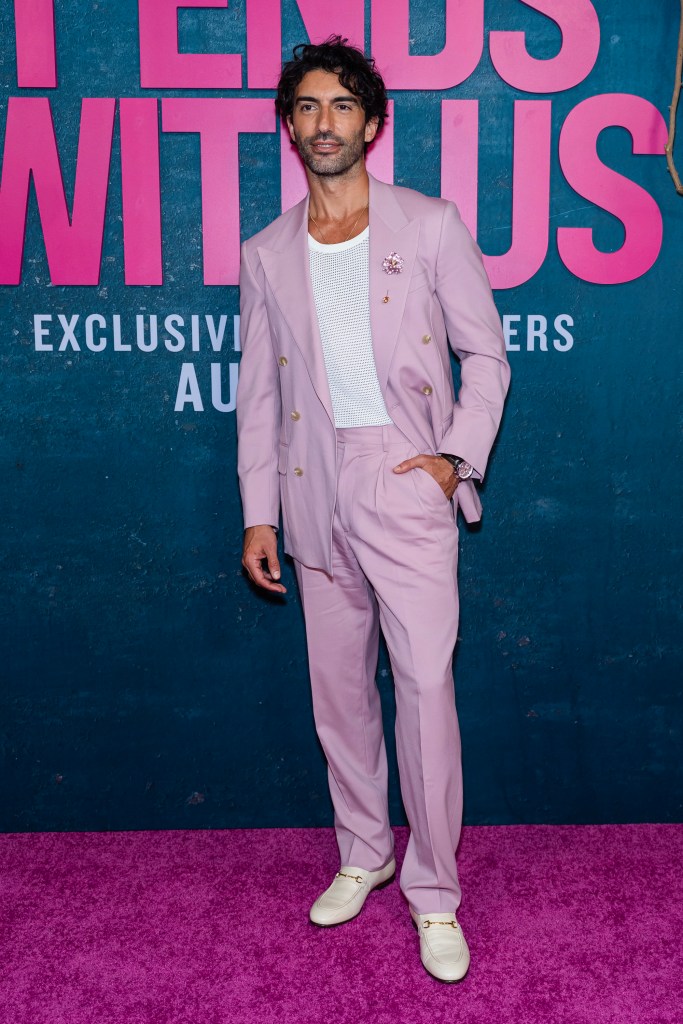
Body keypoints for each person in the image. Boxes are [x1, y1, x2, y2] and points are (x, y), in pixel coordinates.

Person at [236, 36, 510, 983]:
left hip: (403, 482)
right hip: (312, 489)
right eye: (307, 107)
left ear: (372, 121)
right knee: (340, 698)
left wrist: (453, 461)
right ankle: (364, 852)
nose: (324, 124)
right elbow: (259, 397)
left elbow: (489, 358)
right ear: (290, 123)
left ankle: (434, 894)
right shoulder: (266, 251)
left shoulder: (429, 224)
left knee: (426, 694)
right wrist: (257, 512)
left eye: (342, 106)